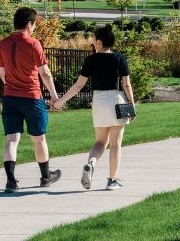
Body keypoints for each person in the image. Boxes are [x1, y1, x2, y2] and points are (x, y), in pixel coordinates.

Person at [53, 25, 135, 190]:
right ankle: (112, 180)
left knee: (99, 142)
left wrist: (61, 101)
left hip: (98, 100)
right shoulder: (120, 58)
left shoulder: (90, 60)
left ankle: (91, 163)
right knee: (115, 144)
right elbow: (126, 84)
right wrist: (132, 105)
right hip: (117, 99)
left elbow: (78, 85)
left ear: (98, 42)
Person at [0, 7, 62, 193]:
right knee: (38, 139)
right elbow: (45, 73)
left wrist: (11, 84)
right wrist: (54, 96)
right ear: (29, 24)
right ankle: (45, 176)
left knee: (11, 139)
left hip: (10, 97)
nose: (34, 28)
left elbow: (2, 73)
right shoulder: (34, 44)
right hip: (32, 97)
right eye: (34, 24)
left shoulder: (2, 44)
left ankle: (10, 181)